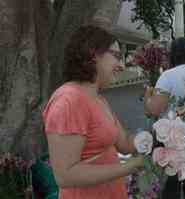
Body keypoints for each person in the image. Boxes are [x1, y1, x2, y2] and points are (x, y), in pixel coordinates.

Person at [42, 26, 149, 199]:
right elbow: (65, 175)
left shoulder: (99, 99)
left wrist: (155, 135)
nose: (121, 65)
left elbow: (124, 143)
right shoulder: (68, 100)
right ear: (92, 54)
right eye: (116, 55)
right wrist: (129, 166)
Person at [143, 37, 185, 199]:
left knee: (171, 182)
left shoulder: (168, 76)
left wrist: (147, 95)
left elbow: (154, 110)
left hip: (169, 138)